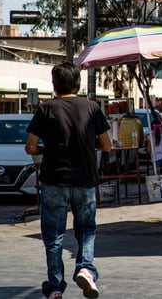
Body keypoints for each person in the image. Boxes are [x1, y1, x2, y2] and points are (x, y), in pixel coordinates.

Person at [24, 62, 112, 299]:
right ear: (78, 83)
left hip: (54, 180)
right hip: (85, 180)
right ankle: (85, 269)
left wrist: (47, 148)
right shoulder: (92, 107)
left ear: (54, 85)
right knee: (86, 230)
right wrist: (85, 146)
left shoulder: (46, 108)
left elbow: (30, 146)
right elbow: (106, 144)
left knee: (54, 237)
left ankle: (55, 288)